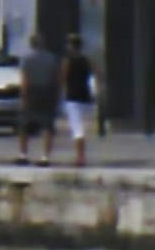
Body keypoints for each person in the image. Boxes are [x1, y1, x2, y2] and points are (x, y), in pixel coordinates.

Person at [18, 29, 62, 166]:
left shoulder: (27, 60)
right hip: (48, 93)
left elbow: (25, 81)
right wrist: (57, 96)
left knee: (25, 126)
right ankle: (45, 157)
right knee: (48, 127)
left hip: (32, 93)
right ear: (43, 44)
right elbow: (58, 79)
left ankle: (23, 155)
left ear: (31, 45)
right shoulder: (52, 59)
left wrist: (23, 98)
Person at [61, 39, 98, 167]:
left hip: (72, 97)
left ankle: (80, 157)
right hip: (85, 96)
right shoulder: (87, 60)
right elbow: (97, 74)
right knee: (82, 127)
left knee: (77, 129)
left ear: (71, 46)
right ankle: (81, 156)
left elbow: (62, 78)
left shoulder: (67, 61)